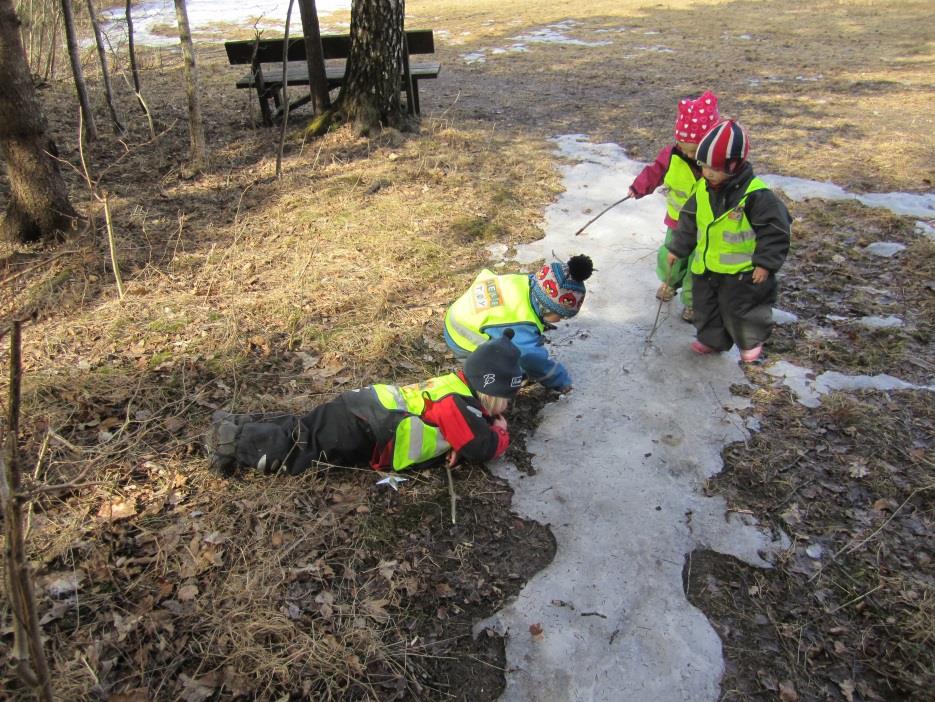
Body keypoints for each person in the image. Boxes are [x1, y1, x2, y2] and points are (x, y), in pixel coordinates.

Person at [206, 331, 524, 476]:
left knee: (305, 428)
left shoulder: (456, 387)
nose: (506, 409)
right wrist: (500, 433)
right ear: (490, 392)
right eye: (505, 402)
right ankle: (235, 443)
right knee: (302, 450)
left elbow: (458, 431)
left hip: (365, 409)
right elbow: (480, 449)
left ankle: (242, 423)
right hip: (365, 427)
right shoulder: (462, 406)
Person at [665, 119, 792, 363]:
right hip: (707, 266)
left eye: (715, 168)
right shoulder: (702, 189)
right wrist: (678, 249)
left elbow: (775, 230)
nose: (708, 173)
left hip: (742, 272)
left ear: (734, 165)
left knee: (742, 311)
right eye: (703, 166)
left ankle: (750, 343)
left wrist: (765, 263)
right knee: (706, 307)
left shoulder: (756, 195)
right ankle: (712, 340)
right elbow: (689, 221)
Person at [628, 91, 720, 322]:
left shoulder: (715, 165)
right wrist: (639, 187)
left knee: (697, 268)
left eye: (694, 149)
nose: (688, 154)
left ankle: (692, 302)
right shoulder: (672, 154)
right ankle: (669, 283)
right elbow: (655, 171)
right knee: (670, 257)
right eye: (684, 147)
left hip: (703, 228)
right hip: (677, 221)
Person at [443, 255, 594, 393]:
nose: (560, 320)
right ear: (546, 307)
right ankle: (483, 385)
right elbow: (532, 359)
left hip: (460, 313)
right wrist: (561, 381)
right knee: (511, 367)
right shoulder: (520, 323)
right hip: (464, 339)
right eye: (561, 315)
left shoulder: (523, 283)